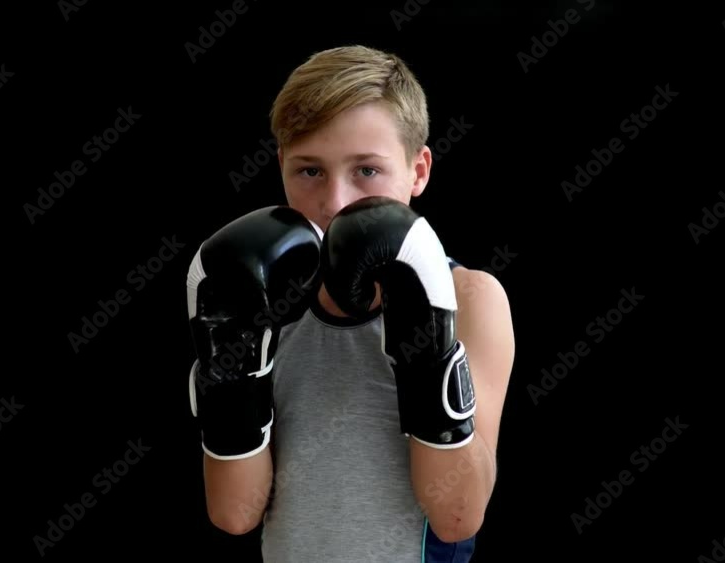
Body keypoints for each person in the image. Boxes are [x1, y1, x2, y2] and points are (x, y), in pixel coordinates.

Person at [187, 45, 515, 562]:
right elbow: (235, 514)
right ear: (281, 169)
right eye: (310, 171)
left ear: (419, 170)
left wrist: (426, 342)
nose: (336, 201)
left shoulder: (470, 299)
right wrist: (232, 378)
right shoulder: (263, 299)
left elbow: (457, 517)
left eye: (366, 170)